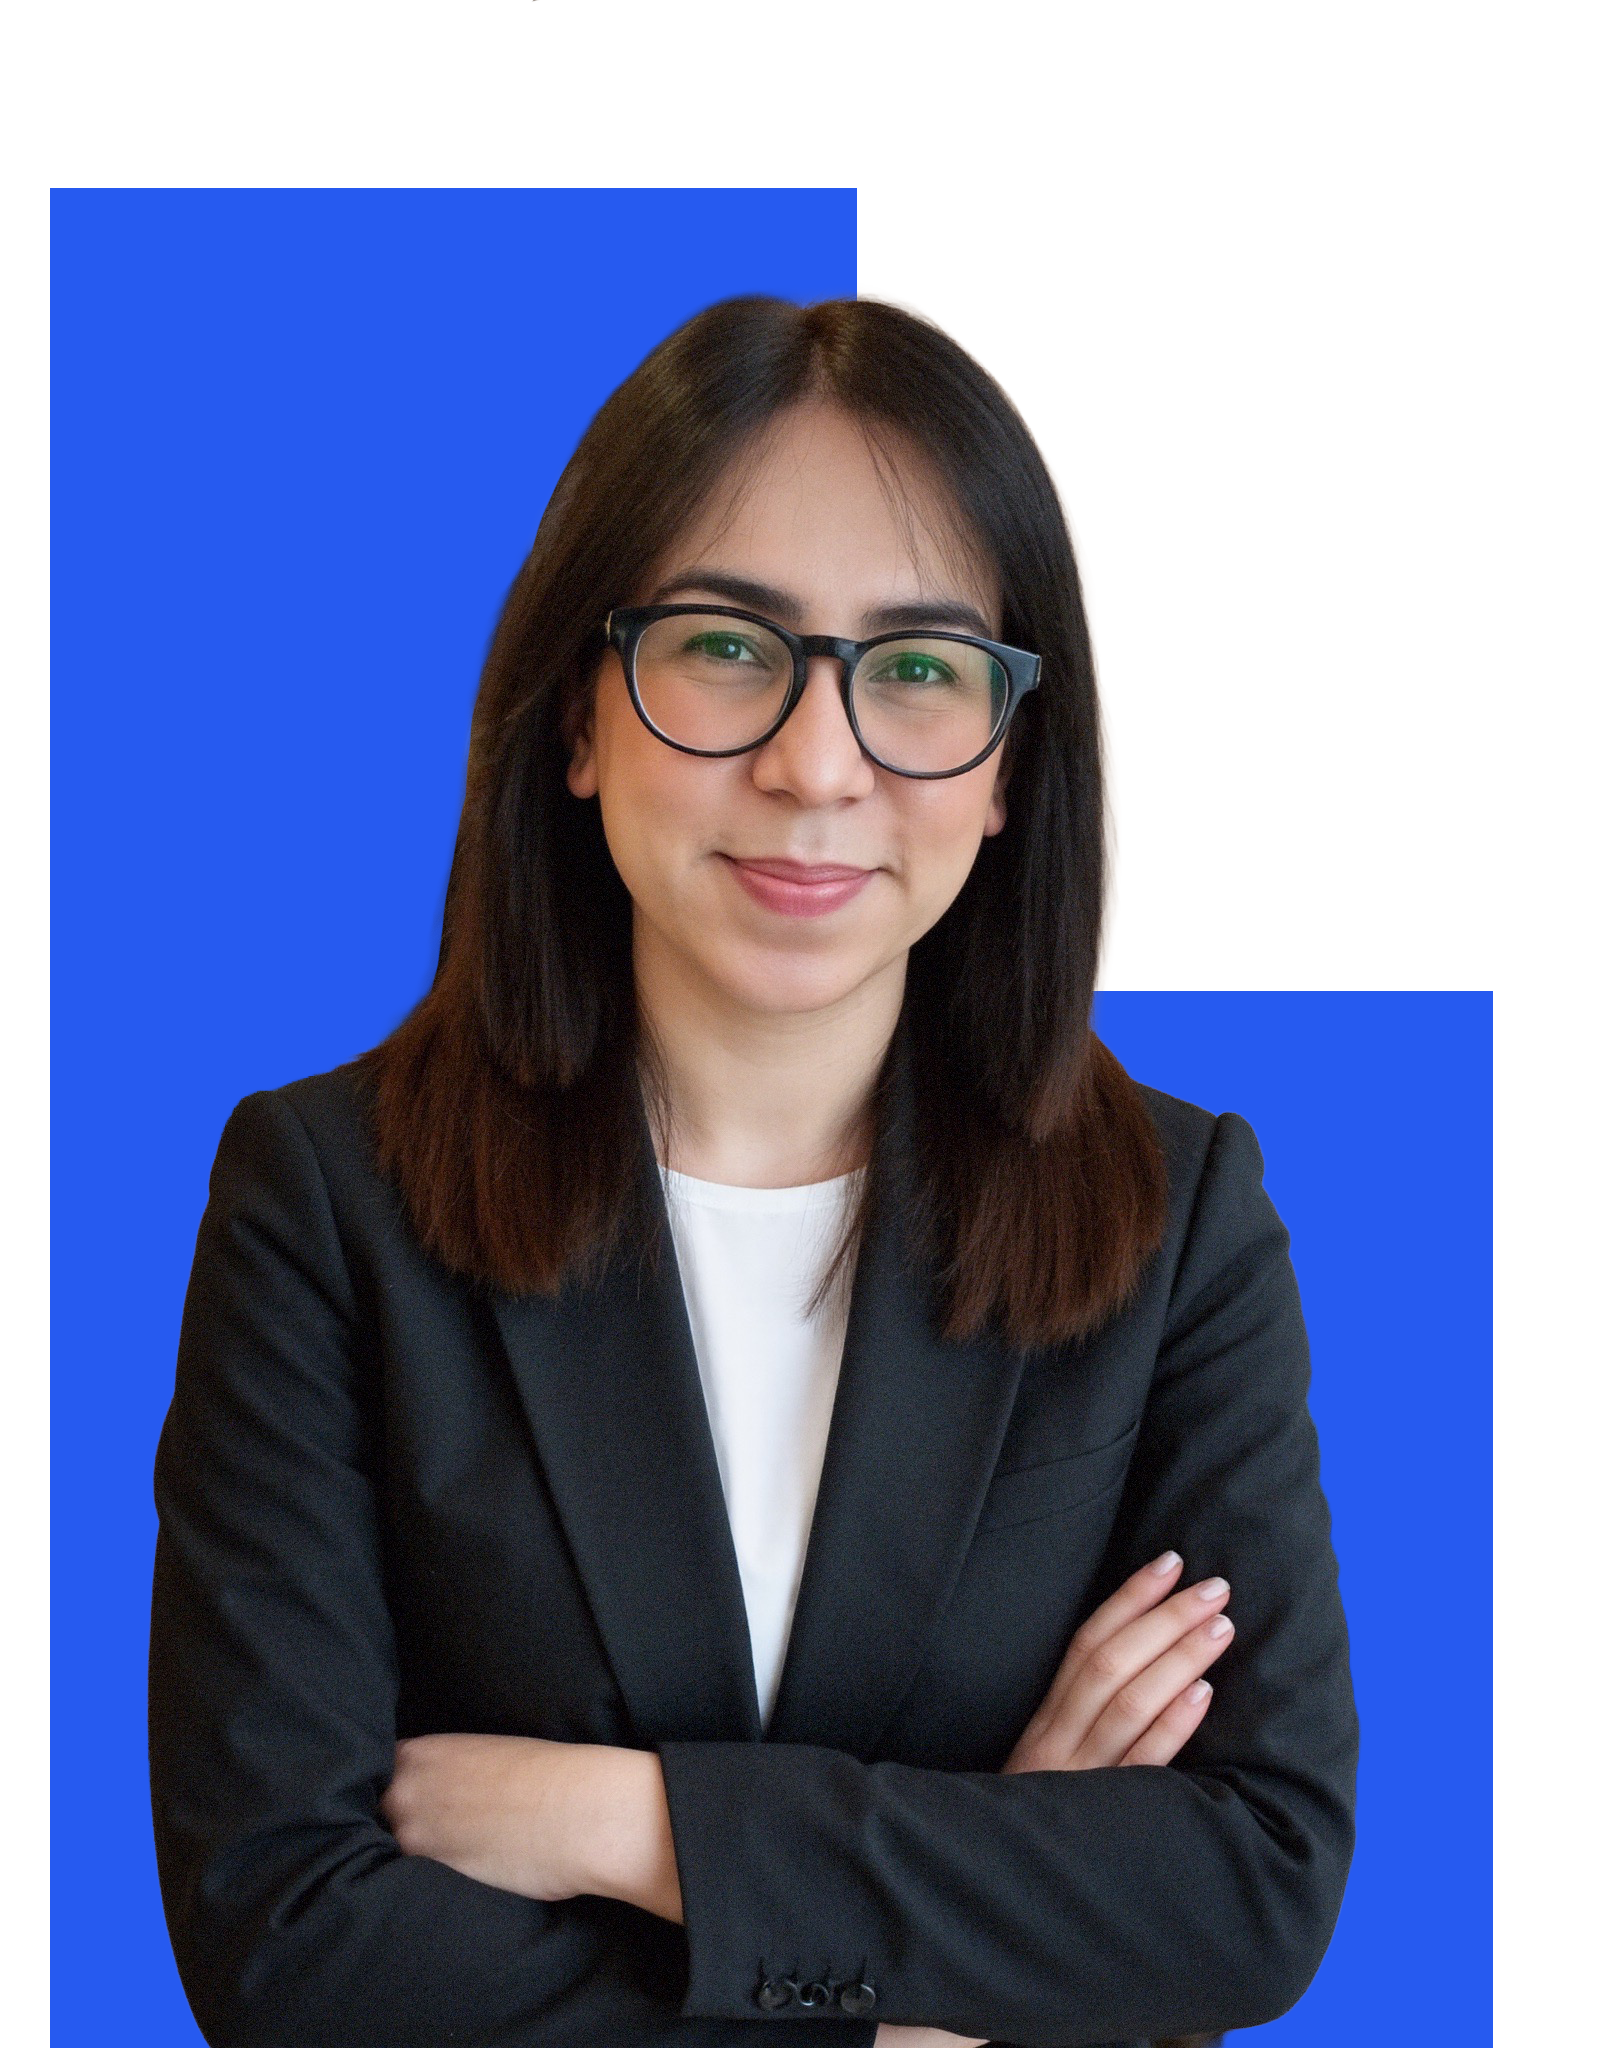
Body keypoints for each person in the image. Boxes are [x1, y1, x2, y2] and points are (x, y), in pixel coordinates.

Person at [148, 284, 1358, 2048]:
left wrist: (630, 1826)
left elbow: (1252, 1881)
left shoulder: (1180, 1222)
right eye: (725, 646)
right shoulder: (325, 1206)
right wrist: (935, 1990)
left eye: (920, 669)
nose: (815, 764)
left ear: (1010, 768)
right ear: (578, 716)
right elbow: (286, 1944)